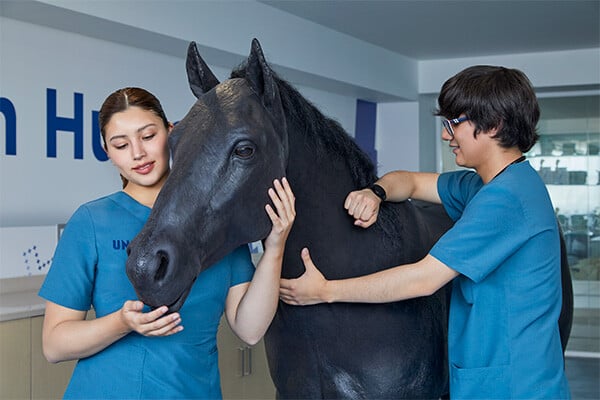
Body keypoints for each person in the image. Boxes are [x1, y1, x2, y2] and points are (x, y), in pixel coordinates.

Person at [280, 66, 570, 399]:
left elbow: (422, 279)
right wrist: (375, 192)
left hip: (514, 388)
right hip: (493, 380)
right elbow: (411, 181)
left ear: (493, 125)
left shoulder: (506, 199)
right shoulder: (487, 185)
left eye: (454, 124)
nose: (447, 135)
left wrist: (324, 291)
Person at [39, 87, 296, 399]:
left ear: (172, 134)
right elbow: (54, 344)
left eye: (148, 136)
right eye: (121, 144)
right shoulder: (92, 221)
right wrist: (122, 323)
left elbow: (250, 329)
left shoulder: (218, 220)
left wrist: (276, 246)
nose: (138, 153)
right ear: (107, 150)